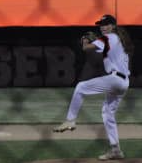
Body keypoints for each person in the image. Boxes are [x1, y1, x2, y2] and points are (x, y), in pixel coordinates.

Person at [53, 14, 134, 161]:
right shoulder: (117, 40)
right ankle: (116, 150)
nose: (102, 27)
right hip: (123, 83)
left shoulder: (109, 37)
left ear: (113, 26)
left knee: (80, 87)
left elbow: (86, 48)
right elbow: (97, 51)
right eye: (101, 25)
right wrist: (95, 42)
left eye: (105, 24)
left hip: (115, 79)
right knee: (107, 113)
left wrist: (85, 40)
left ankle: (70, 120)